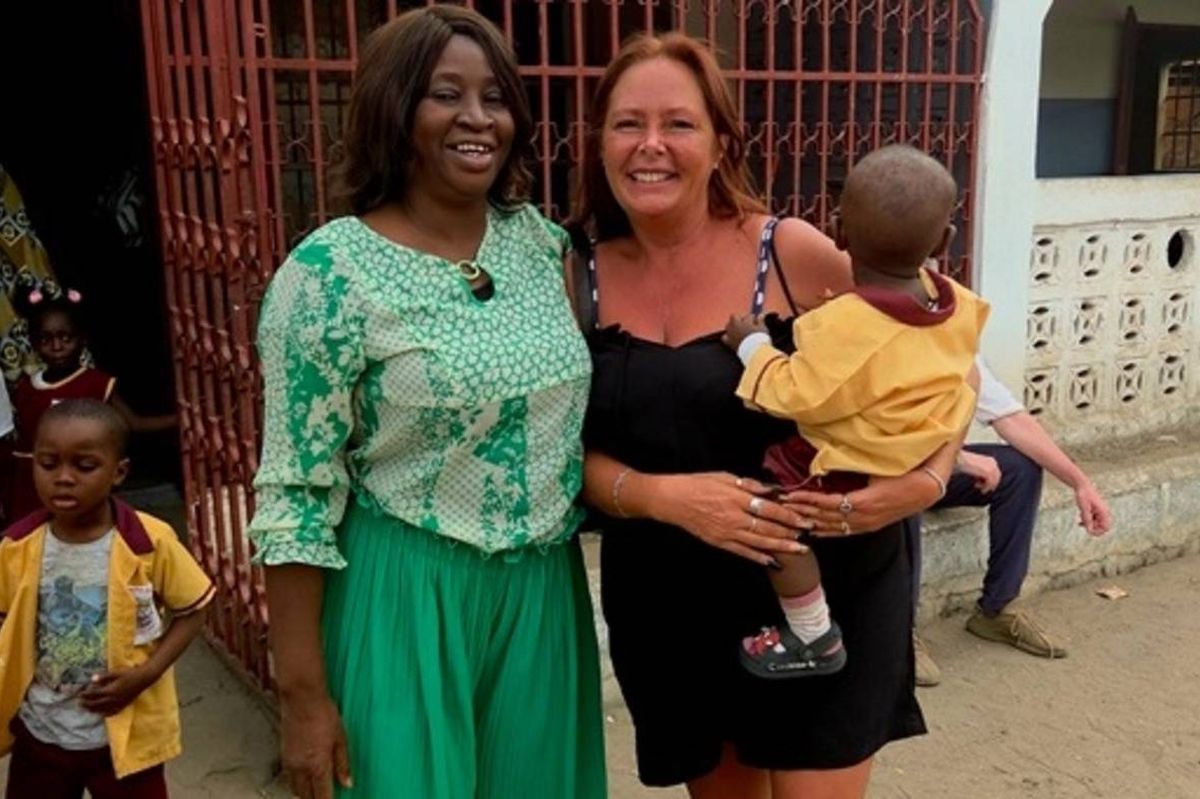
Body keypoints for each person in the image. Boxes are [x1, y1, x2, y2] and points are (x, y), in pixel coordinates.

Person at [569, 32, 964, 798]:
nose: (651, 145)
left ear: (721, 143)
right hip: (675, 606)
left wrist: (926, 479)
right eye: (628, 123)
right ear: (600, 142)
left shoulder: (791, 253)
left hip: (827, 596)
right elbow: (545, 452)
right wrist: (666, 496)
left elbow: (938, 360)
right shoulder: (573, 274)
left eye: (679, 124)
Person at [247, 7, 605, 799]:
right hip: (403, 594)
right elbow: (295, 493)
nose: (478, 118)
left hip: (542, 596)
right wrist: (302, 698)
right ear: (396, 108)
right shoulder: (329, 275)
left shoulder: (541, 246)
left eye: (495, 97)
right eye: (446, 94)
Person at [722, 144, 988, 680]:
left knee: (777, 523)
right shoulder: (954, 300)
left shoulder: (841, 325)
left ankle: (813, 633)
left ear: (838, 235)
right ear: (944, 240)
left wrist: (750, 346)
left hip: (852, 462)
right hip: (915, 448)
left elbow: (793, 392)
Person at [0, 399, 214, 798]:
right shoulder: (16, 548)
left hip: (126, 737)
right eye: (48, 464)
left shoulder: (149, 542)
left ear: (119, 473)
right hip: (41, 734)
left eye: (84, 466)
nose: (63, 478)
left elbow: (194, 610)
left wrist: (145, 676)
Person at [911, 357, 1113, 685]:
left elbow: (1013, 420)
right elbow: (877, 432)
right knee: (904, 499)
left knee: (1020, 469)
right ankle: (897, 635)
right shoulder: (886, 337)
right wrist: (959, 459)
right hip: (881, 472)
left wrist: (1081, 483)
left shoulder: (958, 348)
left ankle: (996, 610)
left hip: (936, 466)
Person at [3, 285, 176, 523]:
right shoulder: (25, 388)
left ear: (81, 339)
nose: (57, 347)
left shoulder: (96, 384)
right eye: (46, 340)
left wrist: (182, 418)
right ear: (33, 343)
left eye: (66, 338)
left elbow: (133, 423)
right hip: (30, 486)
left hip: (79, 482)